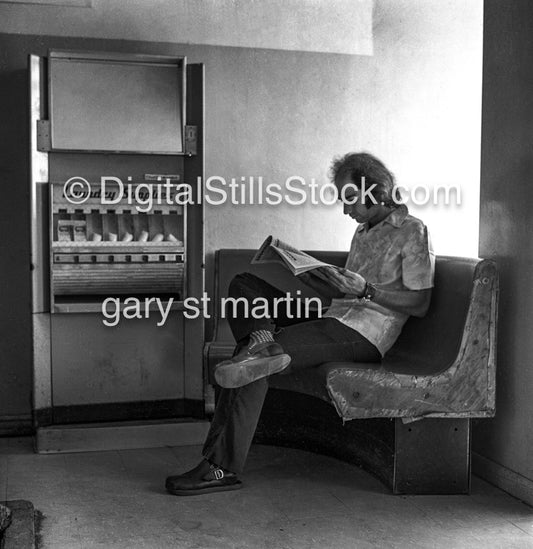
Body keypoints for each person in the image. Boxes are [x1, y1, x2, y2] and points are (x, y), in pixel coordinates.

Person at [165, 152, 435, 496]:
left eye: (350, 198)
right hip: (334, 317)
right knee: (245, 285)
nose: (345, 209)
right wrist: (310, 272)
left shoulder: (413, 231)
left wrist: (367, 291)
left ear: (377, 191)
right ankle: (261, 342)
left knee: (256, 362)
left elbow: (421, 303)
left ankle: (220, 468)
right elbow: (342, 293)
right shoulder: (362, 232)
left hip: (364, 334)